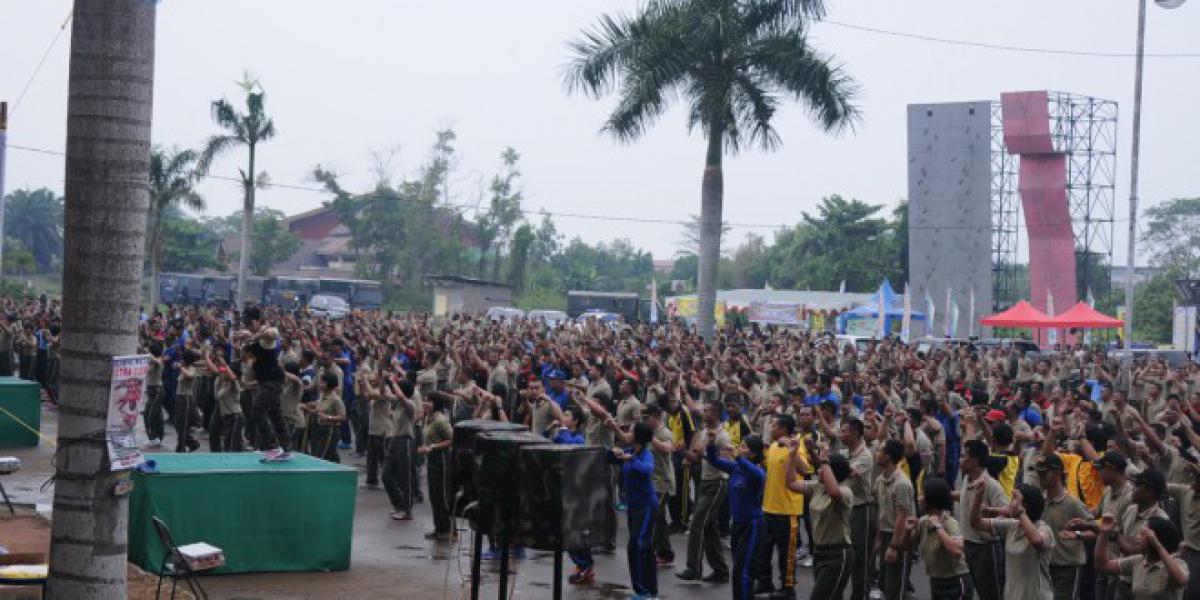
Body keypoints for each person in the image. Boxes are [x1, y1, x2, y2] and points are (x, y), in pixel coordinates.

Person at [785, 436, 854, 600]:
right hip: (819, 553)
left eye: (823, 468)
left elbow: (834, 493)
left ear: (832, 470)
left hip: (837, 556)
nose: (819, 470)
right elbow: (791, 483)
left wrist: (824, 460)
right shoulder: (818, 487)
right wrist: (792, 455)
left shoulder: (845, 491)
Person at [704, 431, 766, 600]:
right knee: (738, 571)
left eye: (744, 447)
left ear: (752, 453)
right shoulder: (736, 468)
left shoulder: (756, 472)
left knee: (743, 571)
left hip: (752, 526)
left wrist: (737, 455)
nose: (739, 448)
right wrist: (711, 443)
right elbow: (714, 460)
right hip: (737, 525)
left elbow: (759, 476)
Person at [677, 398, 731, 584]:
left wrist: (702, 449)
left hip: (717, 484)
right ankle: (720, 570)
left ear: (715, 413)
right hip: (705, 482)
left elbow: (725, 463)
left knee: (697, 524)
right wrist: (682, 454)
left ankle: (693, 569)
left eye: (706, 410)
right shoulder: (704, 432)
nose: (703, 413)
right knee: (710, 529)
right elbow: (695, 455)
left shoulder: (721, 436)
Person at [970, 482, 1056, 600]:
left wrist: (1020, 511)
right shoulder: (1012, 526)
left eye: (1013, 501)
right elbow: (976, 522)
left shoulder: (1044, 529)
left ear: (1024, 506)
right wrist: (978, 496)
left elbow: (1036, 540)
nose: (1010, 504)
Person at [755, 413, 805, 600]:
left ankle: (788, 588)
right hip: (769, 507)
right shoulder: (774, 446)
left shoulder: (795, 447)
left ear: (783, 429)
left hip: (787, 510)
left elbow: (804, 469)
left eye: (774, 426)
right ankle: (764, 581)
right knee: (764, 549)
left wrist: (793, 450)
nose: (771, 428)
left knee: (787, 553)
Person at [1034, 453, 1094, 600]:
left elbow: (1095, 532)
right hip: (1044, 566)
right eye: (1038, 473)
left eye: (1044, 473)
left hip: (1067, 568)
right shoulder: (1040, 502)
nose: (1040, 477)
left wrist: (1077, 535)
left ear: (1057, 473)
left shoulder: (1073, 504)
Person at [901, 477, 972, 599]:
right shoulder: (924, 522)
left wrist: (938, 527)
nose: (919, 498)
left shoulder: (949, 523)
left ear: (933, 499)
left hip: (955, 581)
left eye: (923, 495)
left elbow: (957, 551)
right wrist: (907, 531)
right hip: (936, 581)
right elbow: (905, 547)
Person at [611, 421, 659, 600]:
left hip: (647, 507)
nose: (627, 433)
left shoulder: (646, 454)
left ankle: (648, 592)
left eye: (630, 431)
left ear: (638, 436)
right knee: (637, 547)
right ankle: (644, 591)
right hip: (634, 507)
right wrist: (613, 452)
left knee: (640, 546)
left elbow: (647, 469)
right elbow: (611, 456)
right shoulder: (630, 452)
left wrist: (630, 459)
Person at [956, 439, 1008, 600]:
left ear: (975, 460)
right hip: (967, 545)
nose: (960, 460)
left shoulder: (991, 485)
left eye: (964, 456)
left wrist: (990, 511)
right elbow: (964, 495)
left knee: (990, 594)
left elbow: (1006, 513)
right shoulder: (968, 479)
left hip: (986, 549)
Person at [1095, 515, 1189, 600]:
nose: (1138, 537)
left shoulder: (1176, 563)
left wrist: (1157, 544)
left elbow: (1181, 579)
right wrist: (1104, 533)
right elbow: (1102, 565)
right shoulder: (1139, 561)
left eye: (1143, 534)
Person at [875, 438, 916, 600]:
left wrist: (893, 546)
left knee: (895, 586)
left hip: (900, 537)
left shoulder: (901, 484)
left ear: (888, 457)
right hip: (886, 533)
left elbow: (902, 517)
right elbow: (882, 511)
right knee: (885, 583)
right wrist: (878, 538)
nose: (877, 454)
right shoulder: (881, 479)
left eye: (880, 451)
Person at [418, 391, 454, 542]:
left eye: (429, 401)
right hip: (431, 460)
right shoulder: (428, 418)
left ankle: (446, 530)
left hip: (441, 459)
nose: (425, 403)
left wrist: (432, 447)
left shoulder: (440, 420)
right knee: (433, 496)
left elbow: (451, 440)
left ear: (436, 404)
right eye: (425, 400)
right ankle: (438, 528)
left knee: (441, 496)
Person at [304, 372, 345, 462]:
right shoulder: (322, 395)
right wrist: (311, 406)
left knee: (323, 455)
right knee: (329, 454)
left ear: (330, 384)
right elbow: (320, 409)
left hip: (331, 429)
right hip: (320, 427)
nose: (320, 384)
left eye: (323, 382)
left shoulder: (335, 399)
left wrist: (328, 417)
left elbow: (342, 416)